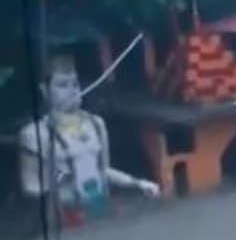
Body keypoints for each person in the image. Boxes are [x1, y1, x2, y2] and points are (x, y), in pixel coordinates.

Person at [17, 55, 159, 229]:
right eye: (62, 85)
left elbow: (103, 170)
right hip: (63, 220)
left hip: (99, 212)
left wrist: (138, 184)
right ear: (44, 90)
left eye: (75, 84)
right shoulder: (34, 134)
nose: (72, 90)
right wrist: (63, 177)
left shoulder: (96, 124)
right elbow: (31, 186)